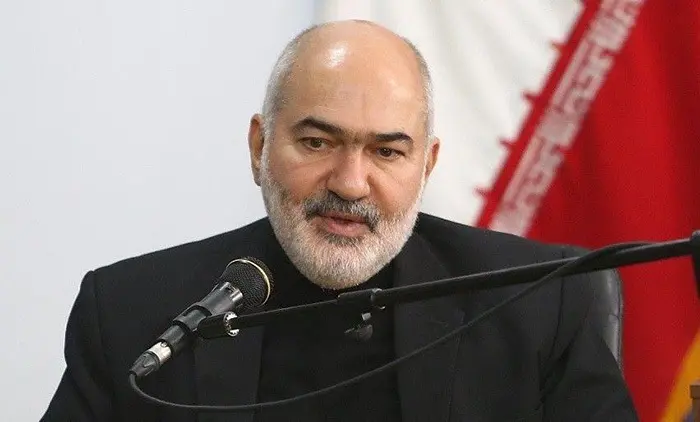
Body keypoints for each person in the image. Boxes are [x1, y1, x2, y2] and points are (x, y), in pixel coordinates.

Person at [41, 20, 638, 421]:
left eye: (387, 151)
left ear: (426, 165)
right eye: (318, 142)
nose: (351, 183)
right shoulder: (129, 313)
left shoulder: (536, 301)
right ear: (259, 147)